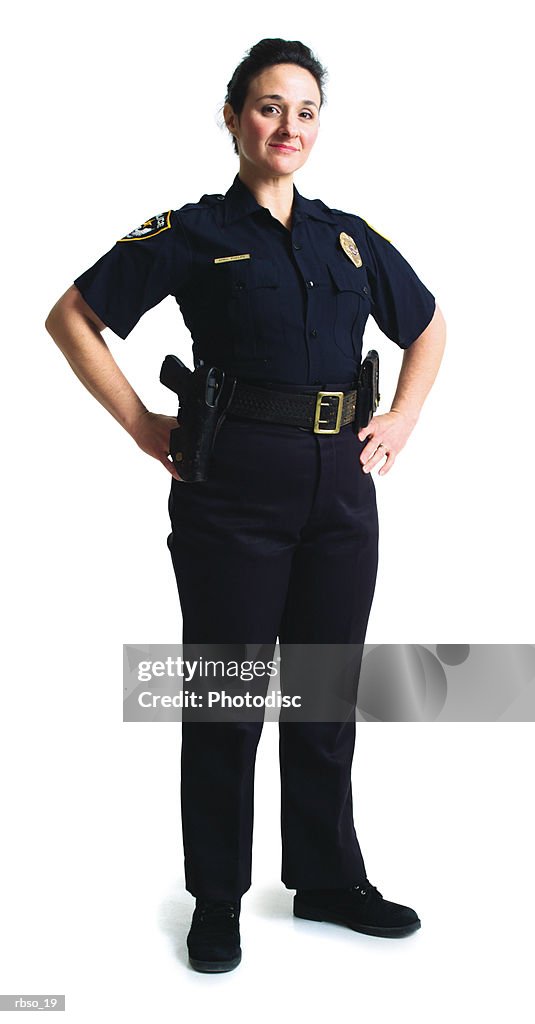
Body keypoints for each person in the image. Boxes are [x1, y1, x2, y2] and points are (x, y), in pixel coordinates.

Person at [45, 37, 446, 973]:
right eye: (269, 107)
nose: (288, 126)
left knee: (323, 694)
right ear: (233, 118)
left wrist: (404, 416)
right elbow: (71, 315)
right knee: (226, 698)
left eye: (304, 110)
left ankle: (324, 878)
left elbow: (426, 321)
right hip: (232, 489)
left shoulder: (347, 236)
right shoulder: (189, 233)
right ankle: (217, 897)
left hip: (340, 490)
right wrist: (141, 422)